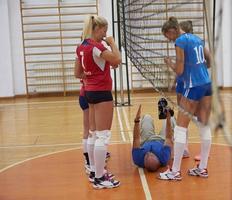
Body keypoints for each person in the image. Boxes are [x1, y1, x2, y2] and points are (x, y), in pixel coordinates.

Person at [158, 17, 212, 181]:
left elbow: (180, 70)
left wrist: (170, 63)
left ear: (172, 30)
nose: (169, 40)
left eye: (168, 36)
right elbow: (208, 61)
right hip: (207, 83)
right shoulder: (197, 38)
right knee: (204, 125)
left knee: (181, 128)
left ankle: (174, 171)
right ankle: (202, 168)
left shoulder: (180, 41)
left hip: (193, 86)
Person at [75, 15, 121, 189]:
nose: (105, 33)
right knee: (103, 135)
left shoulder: (81, 46)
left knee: (94, 133)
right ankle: (100, 179)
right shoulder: (97, 46)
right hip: (101, 92)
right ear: (96, 29)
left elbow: (78, 73)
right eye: (104, 30)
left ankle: (95, 171)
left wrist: (98, 70)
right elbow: (117, 59)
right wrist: (112, 43)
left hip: (89, 92)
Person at [132, 105, 177, 172]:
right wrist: (168, 119)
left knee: (147, 117)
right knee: (172, 119)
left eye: (146, 156)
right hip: (162, 140)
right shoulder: (164, 158)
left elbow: (136, 138)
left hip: (146, 140)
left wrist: (137, 121)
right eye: (151, 154)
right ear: (158, 160)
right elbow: (168, 137)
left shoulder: (138, 159)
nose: (148, 152)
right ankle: (183, 149)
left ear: (144, 162)